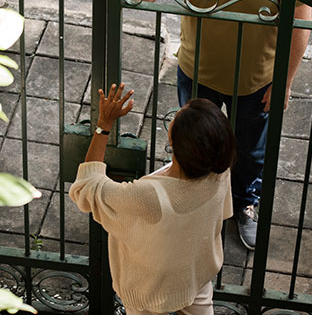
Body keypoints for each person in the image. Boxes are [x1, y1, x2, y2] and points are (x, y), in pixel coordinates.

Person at [126, 0, 312, 250]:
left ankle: (244, 204)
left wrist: (285, 80)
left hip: (254, 80)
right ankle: (192, 207)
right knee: (193, 148)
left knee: (249, 152)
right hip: (197, 74)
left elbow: (301, 22)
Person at [69, 83, 236, 315]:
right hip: (196, 275)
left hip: (149, 290)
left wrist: (103, 126)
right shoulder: (219, 169)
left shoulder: (150, 196)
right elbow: (223, 213)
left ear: (173, 140)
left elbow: (86, 188)